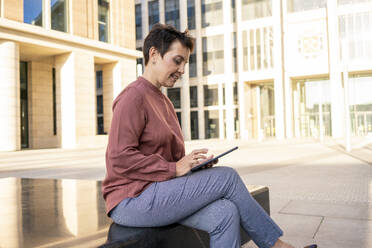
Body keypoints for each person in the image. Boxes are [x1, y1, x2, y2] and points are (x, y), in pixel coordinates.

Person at [102, 23, 316, 248]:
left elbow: (169, 160)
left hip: (158, 191)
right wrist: (174, 169)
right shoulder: (133, 97)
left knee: (226, 212)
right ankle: (277, 246)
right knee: (227, 177)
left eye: (185, 62)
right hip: (131, 199)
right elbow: (120, 158)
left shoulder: (164, 101)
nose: (183, 70)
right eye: (177, 60)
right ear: (153, 54)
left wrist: (192, 167)